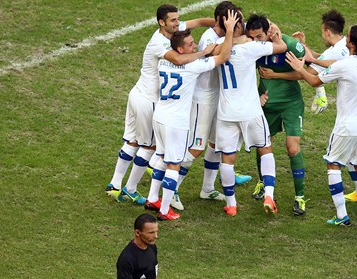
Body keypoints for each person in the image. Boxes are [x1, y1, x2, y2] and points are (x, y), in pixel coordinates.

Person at [277, 10, 357, 202]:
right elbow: (325, 60)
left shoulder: (339, 52)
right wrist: (305, 48)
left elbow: (316, 72)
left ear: (327, 32)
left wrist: (281, 73)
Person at [105, 4, 216, 206]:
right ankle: (130, 189)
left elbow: (199, 22)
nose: (177, 23)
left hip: (137, 93)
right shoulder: (159, 43)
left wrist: (220, 24)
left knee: (132, 141)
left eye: (177, 19)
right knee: (149, 146)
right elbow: (180, 60)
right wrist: (205, 52)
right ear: (161, 22)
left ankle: (114, 184)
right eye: (173, 20)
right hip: (148, 100)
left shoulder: (174, 29)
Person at [286, 25, 357, 231]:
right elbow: (337, 63)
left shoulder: (345, 66)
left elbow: (314, 80)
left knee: (333, 165)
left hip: (347, 127)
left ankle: (342, 215)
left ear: (350, 43)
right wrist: (311, 58)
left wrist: (300, 67)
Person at [146, 12, 237, 221]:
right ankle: (164, 209)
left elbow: (179, 59)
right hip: (175, 122)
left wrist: (200, 52)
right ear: (179, 49)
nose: (194, 46)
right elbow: (223, 57)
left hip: (160, 116)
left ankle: (152, 198)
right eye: (190, 45)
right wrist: (227, 33)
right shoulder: (193, 66)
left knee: (161, 158)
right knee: (173, 164)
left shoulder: (164, 61)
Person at [170, 2, 252, 211]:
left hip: (218, 97)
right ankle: (171, 190)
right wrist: (235, 35)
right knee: (197, 147)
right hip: (203, 100)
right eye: (233, 22)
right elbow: (223, 53)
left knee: (217, 144)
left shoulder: (225, 35)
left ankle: (207, 188)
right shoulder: (209, 39)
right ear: (222, 22)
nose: (237, 25)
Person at [213, 14, 287, 216]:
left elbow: (217, 49)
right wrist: (274, 29)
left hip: (226, 112)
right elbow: (281, 47)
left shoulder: (219, 45)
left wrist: (233, 35)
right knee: (266, 149)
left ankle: (231, 205)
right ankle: (269, 196)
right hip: (250, 111)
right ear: (238, 25)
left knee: (227, 158)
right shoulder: (251, 47)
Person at [246, 15, 308, 215]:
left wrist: (276, 75)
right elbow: (244, 75)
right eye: (252, 37)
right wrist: (257, 97)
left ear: (269, 31)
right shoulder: (252, 48)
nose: (256, 41)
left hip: (290, 104)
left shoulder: (289, 44)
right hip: (266, 106)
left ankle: (300, 197)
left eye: (259, 36)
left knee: (292, 148)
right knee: (263, 145)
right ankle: (263, 183)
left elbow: (304, 73)